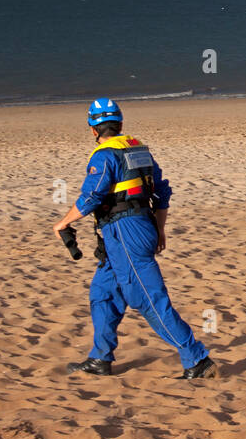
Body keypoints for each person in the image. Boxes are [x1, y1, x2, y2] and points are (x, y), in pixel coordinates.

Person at [53, 98, 216, 379]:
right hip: (130, 231)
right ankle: (100, 359)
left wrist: (64, 222)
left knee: (148, 298)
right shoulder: (139, 150)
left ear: (93, 129)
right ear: (120, 124)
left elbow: (91, 197)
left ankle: (197, 359)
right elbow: (161, 193)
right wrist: (160, 229)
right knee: (103, 293)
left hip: (125, 233)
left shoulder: (104, 156)